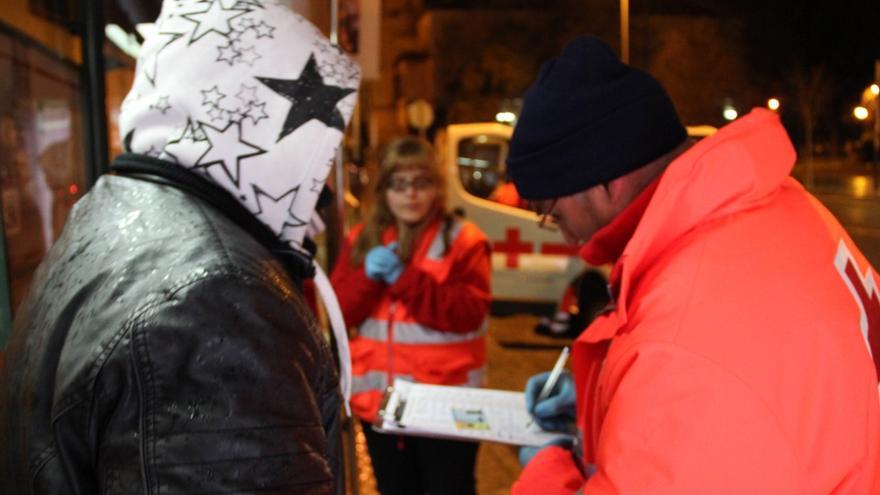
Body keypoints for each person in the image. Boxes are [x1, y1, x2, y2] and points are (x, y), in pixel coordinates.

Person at [0, 2, 360, 494]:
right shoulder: (220, 297)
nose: (318, 178)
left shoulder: (107, 213)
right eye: (319, 145)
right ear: (264, 127)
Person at [509, 36, 880, 494]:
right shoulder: (782, 207)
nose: (567, 237)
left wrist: (548, 472)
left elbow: (698, 375)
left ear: (606, 179)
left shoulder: (683, 343)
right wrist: (601, 407)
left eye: (552, 212)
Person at [330, 136, 491, 495]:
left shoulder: (464, 240)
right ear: (383, 190)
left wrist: (404, 279)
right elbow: (340, 313)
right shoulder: (361, 239)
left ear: (437, 187)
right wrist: (366, 279)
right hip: (382, 406)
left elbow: (467, 313)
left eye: (421, 183)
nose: (410, 195)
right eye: (399, 185)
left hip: (446, 408)